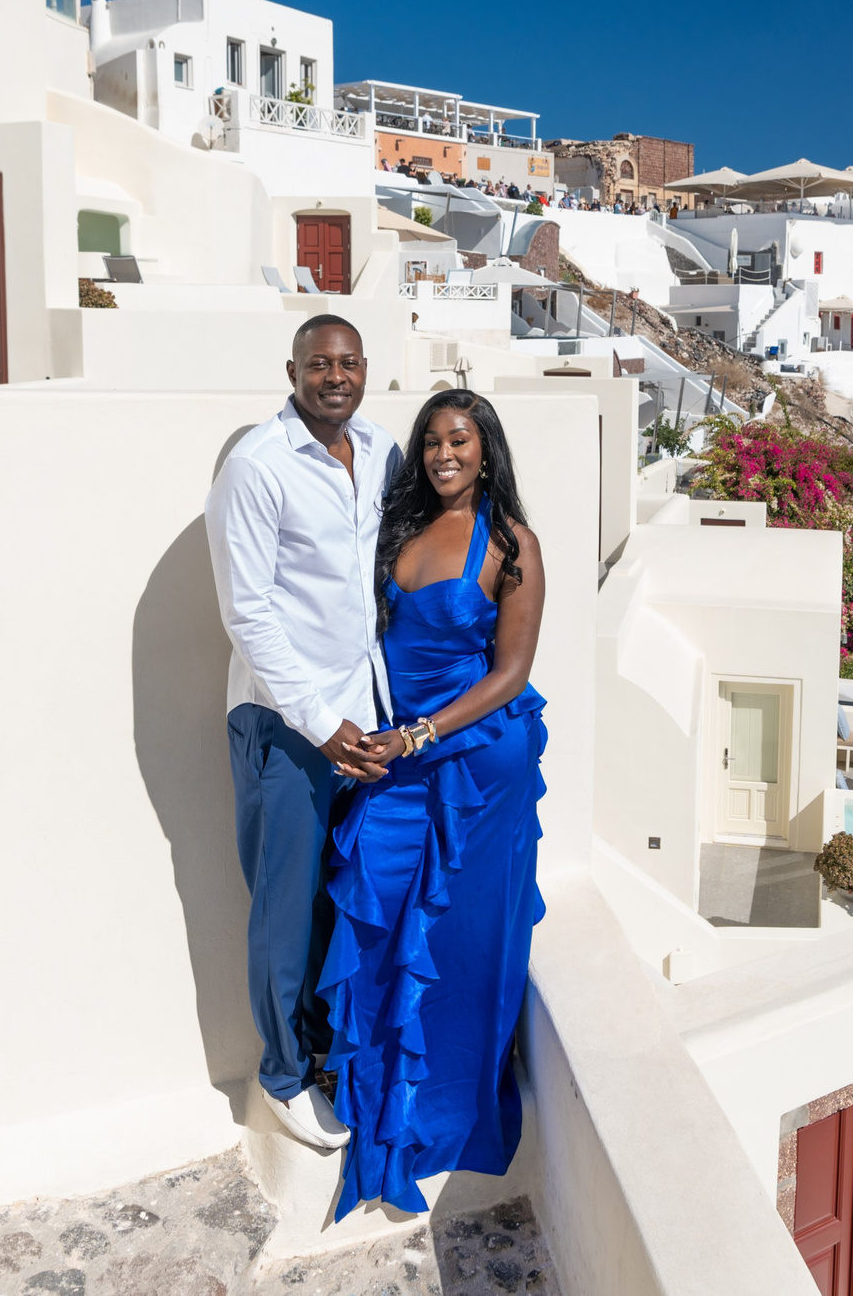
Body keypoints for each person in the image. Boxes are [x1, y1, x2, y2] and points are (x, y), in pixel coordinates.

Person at [321, 390, 548, 1219]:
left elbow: (511, 672)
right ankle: (381, 1116)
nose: (443, 453)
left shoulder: (512, 542)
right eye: (431, 441)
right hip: (396, 756)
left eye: (460, 438)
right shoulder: (402, 531)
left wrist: (419, 735)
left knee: (459, 944)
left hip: (477, 760)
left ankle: (445, 1122)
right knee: (378, 920)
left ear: (486, 447)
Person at [206, 316, 401, 1151]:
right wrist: (322, 723)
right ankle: (284, 1073)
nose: (336, 375)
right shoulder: (257, 465)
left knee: (341, 893)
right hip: (288, 723)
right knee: (284, 908)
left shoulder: (384, 451)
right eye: (320, 363)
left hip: (364, 720)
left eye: (350, 362)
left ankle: (331, 1050)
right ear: (292, 370)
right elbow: (248, 612)